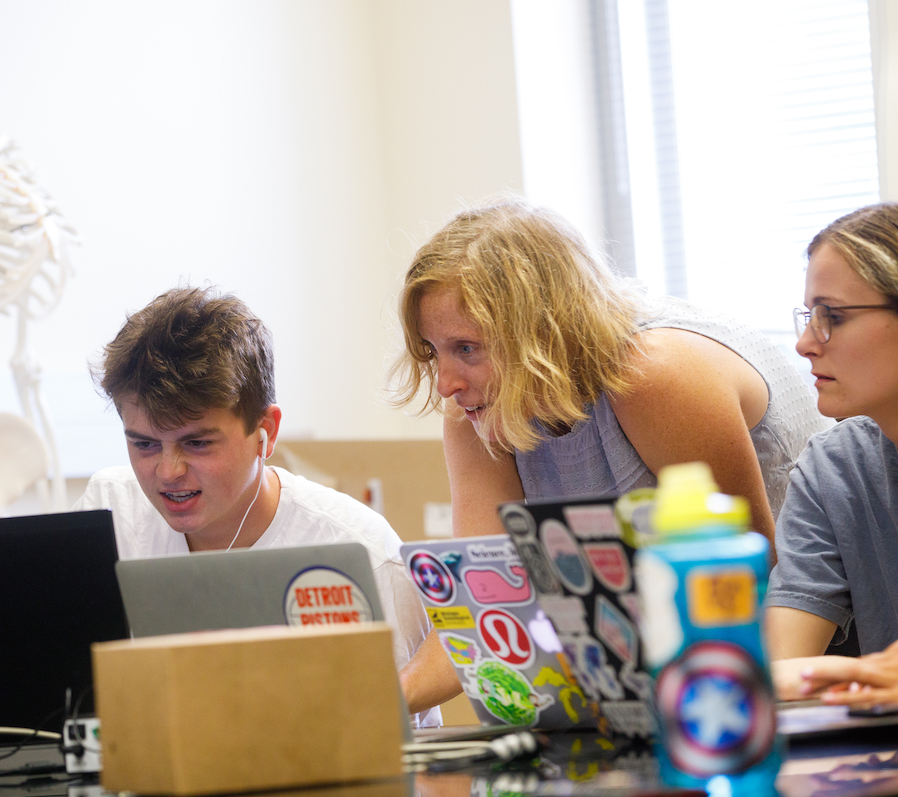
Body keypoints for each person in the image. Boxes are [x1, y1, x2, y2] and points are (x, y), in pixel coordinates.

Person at [390, 198, 828, 714]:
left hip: (813, 646)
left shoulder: (654, 373)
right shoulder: (477, 413)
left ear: (542, 331)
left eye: (467, 348)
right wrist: (376, 706)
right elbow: (483, 612)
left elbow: (750, 590)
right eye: (432, 350)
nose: (445, 383)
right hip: (666, 674)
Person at [74, 287, 440, 726]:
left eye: (197, 443)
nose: (169, 472)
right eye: (145, 444)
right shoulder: (107, 516)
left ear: (265, 430)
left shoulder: (362, 553)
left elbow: (412, 751)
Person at [766, 203, 898, 700]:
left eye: (834, 317)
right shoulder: (833, 467)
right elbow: (786, 669)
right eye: (809, 316)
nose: (804, 344)